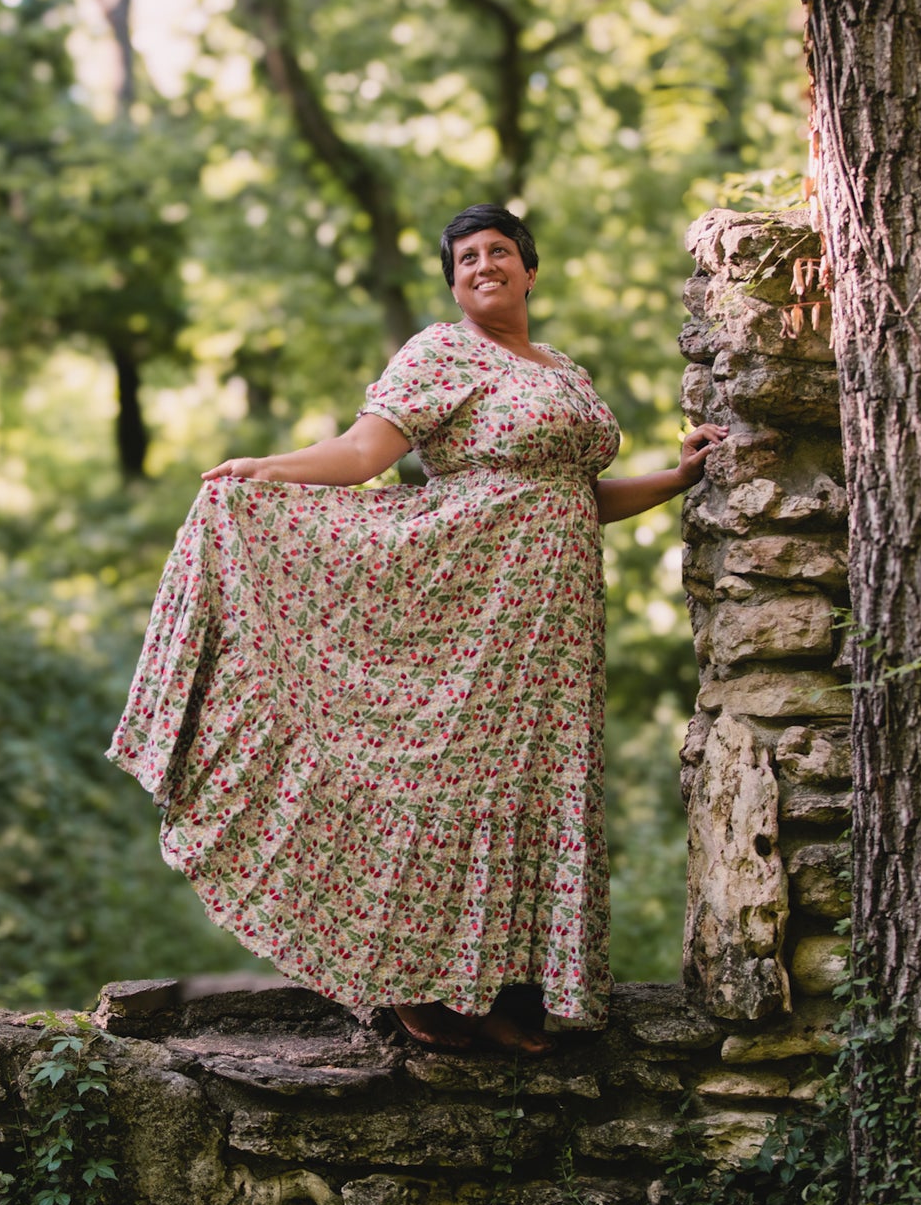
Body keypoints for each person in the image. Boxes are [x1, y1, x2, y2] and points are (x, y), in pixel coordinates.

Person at [108, 204, 726, 1054]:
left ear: (530, 269)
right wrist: (267, 468)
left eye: (499, 251)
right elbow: (365, 455)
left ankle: (503, 983)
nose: (483, 265)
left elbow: (578, 498)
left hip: (553, 627)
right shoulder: (440, 352)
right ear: (453, 281)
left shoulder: (565, 371)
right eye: (466, 257)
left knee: (527, 783)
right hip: (464, 600)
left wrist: (679, 477)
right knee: (443, 778)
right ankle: (414, 979)